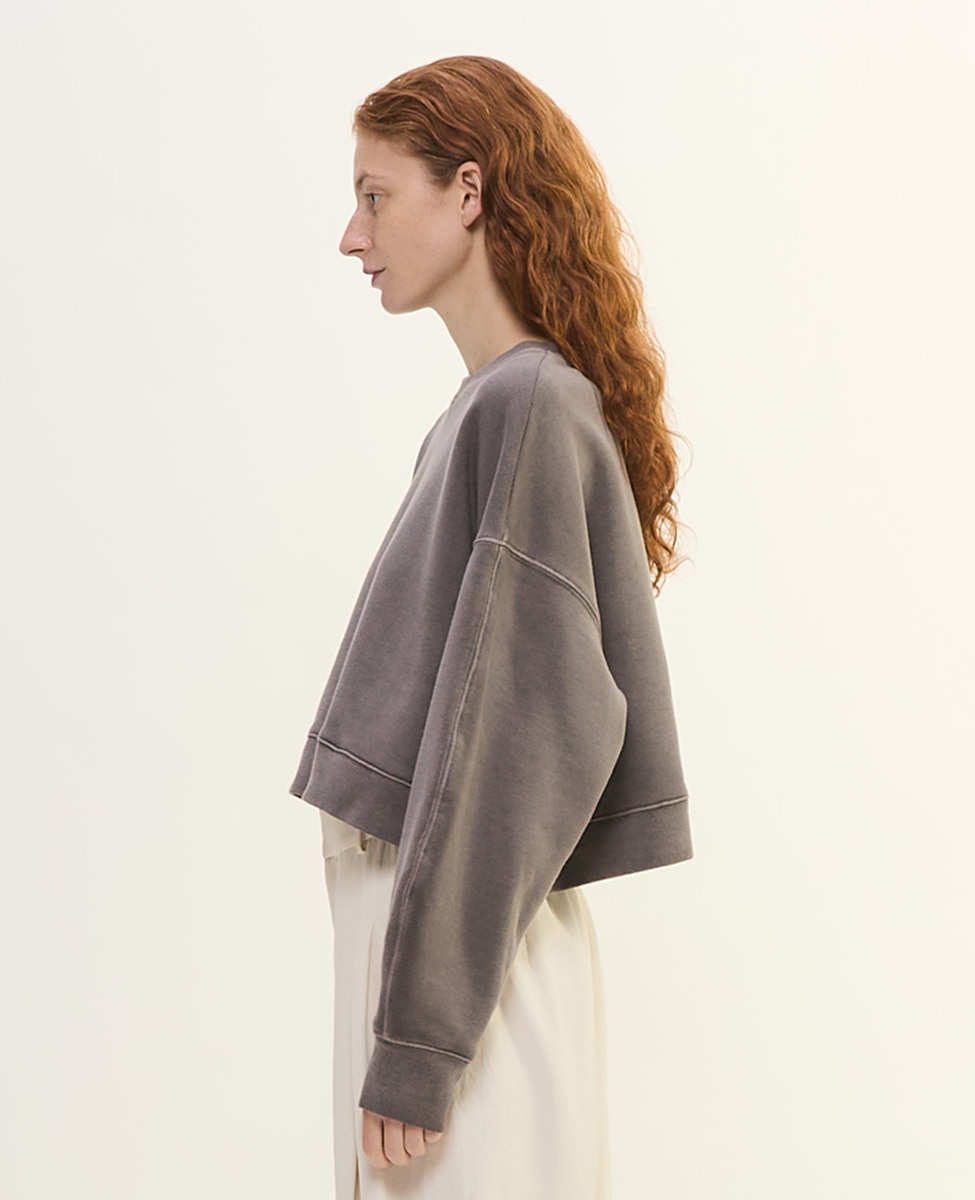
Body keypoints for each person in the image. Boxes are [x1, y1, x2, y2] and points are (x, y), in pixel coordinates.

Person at [288, 54, 693, 1198]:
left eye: (376, 196)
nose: (353, 237)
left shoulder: (525, 404)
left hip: (465, 989)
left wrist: (419, 1044)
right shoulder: (495, 408)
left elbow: (509, 746)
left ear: (468, 191)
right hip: (456, 968)